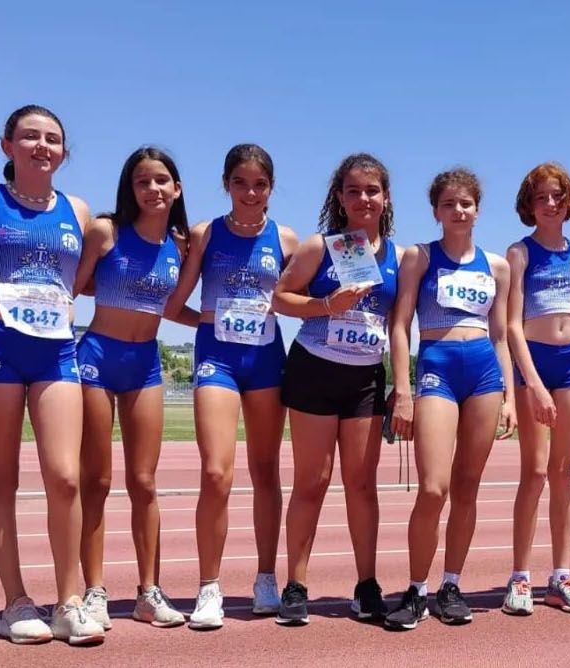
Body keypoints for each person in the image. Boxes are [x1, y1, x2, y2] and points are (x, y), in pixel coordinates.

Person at [0, 105, 103, 644]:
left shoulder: (79, 210)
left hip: (55, 351)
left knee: (65, 476)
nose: (42, 146)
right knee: (1, 476)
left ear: (64, 152)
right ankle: (15, 600)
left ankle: (68, 599)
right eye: (30, 137)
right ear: (7, 146)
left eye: (52, 139)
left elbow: (88, 271)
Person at [164, 144, 298, 629]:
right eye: (240, 183)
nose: (250, 192)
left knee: (266, 469)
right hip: (217, 358)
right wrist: (209, 320)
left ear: (271, 188)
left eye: (259, 184)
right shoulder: (205, 234)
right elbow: (172, 305)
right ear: (226, 184)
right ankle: (209, 587)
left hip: (266, 360)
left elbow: (296, 297)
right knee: (217, 472)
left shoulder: (285, 239)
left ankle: (265, 577)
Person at [384, 168, 516, 629]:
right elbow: (399, 326)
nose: (458, 211)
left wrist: (510, 396)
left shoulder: (497, 266)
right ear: (436, 211)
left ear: (477, 209)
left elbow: (500, 336)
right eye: (448, 204)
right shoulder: (420, 257)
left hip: (483, 371)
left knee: (467, 486)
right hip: (437, 365)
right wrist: (402, 388)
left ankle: (451, 585)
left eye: (465, 203)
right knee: (433, 486)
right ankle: (416, 589)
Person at [272, 153, 401, 625]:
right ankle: (296, 585)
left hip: (365, 377)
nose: (363, 198)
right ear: (340, 198)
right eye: (353, 190)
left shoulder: (400, 257)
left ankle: (366, 586)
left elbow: (402, 323)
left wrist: (403, 385)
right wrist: (327, 304)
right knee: (312, 481)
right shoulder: (320, 247)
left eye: (371, 190)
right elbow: (281, 299)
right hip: (315, 371)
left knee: (362, 485)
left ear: (385, 197)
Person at [72, 147, 195, 630]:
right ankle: (95, 592)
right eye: (143, 182)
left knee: (144, 483)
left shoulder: (181, 245)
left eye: (162, 180)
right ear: (131, 188)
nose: (153, 189)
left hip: (145, 362)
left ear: (177, 188)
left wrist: (213, 320)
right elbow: (74, 284)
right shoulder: (107, 232)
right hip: (97, 358)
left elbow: (172, 307)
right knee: (96, 482)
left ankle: (149, 591)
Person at [503, 162, 570, 616]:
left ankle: (560, 575)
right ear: (530, 205)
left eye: (558, 196)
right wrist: (531, 383)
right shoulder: (520, 253)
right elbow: (510, 324)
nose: (551, 204)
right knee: (535, 471)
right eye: (542, 197)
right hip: (537, 362)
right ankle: (520, 577)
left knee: (563, 472)